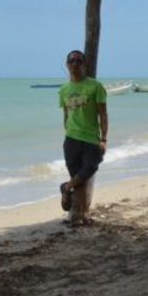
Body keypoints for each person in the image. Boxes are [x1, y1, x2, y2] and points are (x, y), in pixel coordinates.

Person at [58, 50, 108, 227]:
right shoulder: (63, 90)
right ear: (67, 64)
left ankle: (65, 187)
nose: (75, 64)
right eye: (71, 61)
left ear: (84, 64)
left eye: (79, 61)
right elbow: (66, 115)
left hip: (91, 139)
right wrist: (67, 132)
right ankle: (80, 216)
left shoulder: (95, 86)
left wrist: (103, 139)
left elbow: (103, 114)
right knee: (79, 179)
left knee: (90, 168)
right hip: (71, 139)